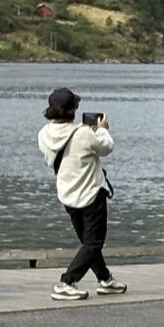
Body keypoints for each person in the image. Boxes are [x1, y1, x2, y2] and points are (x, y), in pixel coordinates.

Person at [37, 88, 127, 301]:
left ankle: (105, 280)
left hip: (67, 194)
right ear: (72, 111)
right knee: (94, 243)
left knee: (88, 243)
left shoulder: (43, 134)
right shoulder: (83, 133)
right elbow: (107, 147)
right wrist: (102, 129)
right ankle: (67, 282)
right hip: (91, 194)